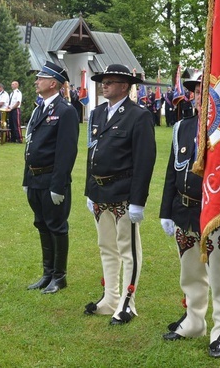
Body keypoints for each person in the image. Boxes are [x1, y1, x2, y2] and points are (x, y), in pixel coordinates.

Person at [159, 72, 220, 358]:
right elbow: (171, 172)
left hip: (217, 214)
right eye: (197, 90)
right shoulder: (183, 127)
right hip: (184, 211)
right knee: (189, 272)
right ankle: (193, 320)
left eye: (206, 90)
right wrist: (166, 210)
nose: (201, 95)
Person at [84, 63, 157, 326]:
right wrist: (88, 190)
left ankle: (128, 302)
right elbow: (91, 154)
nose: (104, 85)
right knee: (106, 247)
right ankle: (110, 298)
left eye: (110, 81)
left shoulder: (138, 116)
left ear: (124, 86)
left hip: (123, 193)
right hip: (99, 191)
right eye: (103, 81)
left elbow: (144, 161)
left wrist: (138, 201)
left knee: (128, 250)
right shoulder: (97, 113)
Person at [23, 62, 79, 294]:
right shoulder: (39, 109)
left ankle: (59, 276)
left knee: (56, 226)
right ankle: (47, 274)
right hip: (35, 179)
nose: (36, 81)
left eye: (40, 78)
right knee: (41, 224)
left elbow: (66, 152)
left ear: (53, 83)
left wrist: (58, 185)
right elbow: (30, 147)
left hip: (51, 180)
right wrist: (26, 179)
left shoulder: (65, 111)